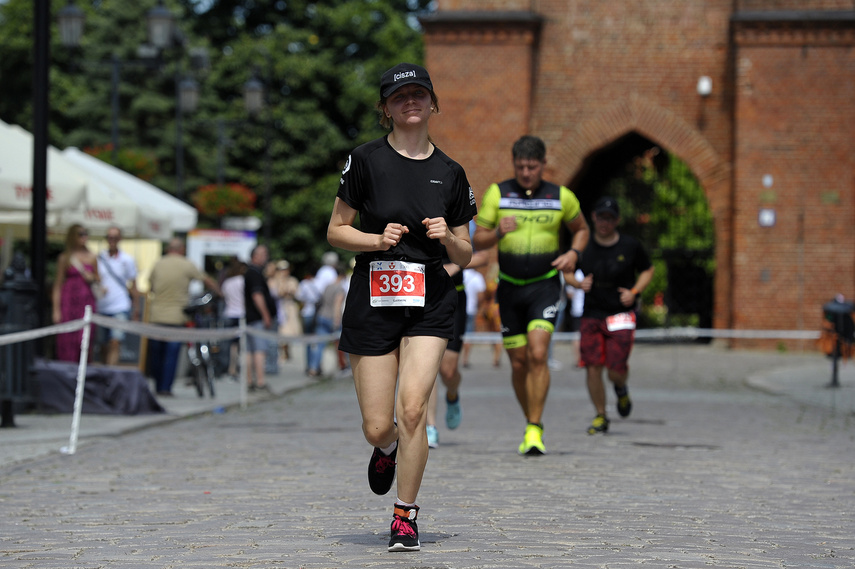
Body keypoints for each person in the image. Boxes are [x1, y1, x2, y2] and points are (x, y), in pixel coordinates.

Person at [327, 62, 476, 552]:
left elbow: (466, 251)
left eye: (418, 94)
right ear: (385, 108)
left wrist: (447, 238)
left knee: (413, 409)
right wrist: (374, 238)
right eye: (399, 96)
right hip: (374, 297)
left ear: (432, 103)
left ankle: (405, 515)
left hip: (431, 300)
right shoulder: (365, 161)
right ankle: (385, 449)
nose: (410, 102)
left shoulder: (450, 172)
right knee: (377, 424)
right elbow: (336, 230)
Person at [473, 134, 590, 456]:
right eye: (521, 167)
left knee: (539, 353)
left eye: (532, 167)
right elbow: (477, 240)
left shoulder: (560, 196)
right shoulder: (499, 193)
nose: (526, 173)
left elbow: (581, 229)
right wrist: (497, 232)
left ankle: (535, 428)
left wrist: (573, 254)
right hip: (509, 287)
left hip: (545, 285)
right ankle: (531, 419)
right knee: (519, 363)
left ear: (543, 165)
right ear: (514, 165)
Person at [567, 196, 655, 435]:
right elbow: (567, 270)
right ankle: (600, 415)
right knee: (592, 366)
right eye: (600, 217)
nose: (604, 222)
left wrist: (635, 291)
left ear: (617, 220)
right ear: (593, 217)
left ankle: (621, 387)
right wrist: (577, 283)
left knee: (615, 368)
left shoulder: (630, 246)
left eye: (610, 218)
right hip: (592, 313)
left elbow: (648, 269)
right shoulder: (583, 245)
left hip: (621, 313)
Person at [425, 247, 489, 449]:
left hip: (453, 299)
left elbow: (484, 256)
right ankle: (430, 426)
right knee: (426, 367)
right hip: (421, 296)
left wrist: (457, 264)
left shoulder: (457, 220)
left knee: (448, 370)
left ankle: (452, 394)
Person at [147, 238, 220, 396]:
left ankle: (157, 386)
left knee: (156, 353)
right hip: (176, 315)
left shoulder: (158, 263)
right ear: (181, 249)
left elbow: (151, 286)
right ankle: (165, 388)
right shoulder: (186, 264)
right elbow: (206, 280)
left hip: (156, 314)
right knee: (171, 354)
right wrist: (220, 293)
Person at [52, 224, 101, 363]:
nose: (84, 237)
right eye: (81, 234)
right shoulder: (65, 258)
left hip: (86, 302)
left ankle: (83, 372)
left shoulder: (92, 257)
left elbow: (99, 279)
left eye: (86, 233)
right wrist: (56, 310)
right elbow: (58, 284)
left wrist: (92, 277)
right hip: (68, 303)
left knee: (84, 339)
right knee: (67, 339)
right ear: (73, 236)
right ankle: (67, 374)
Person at [95, 226, 141, 366]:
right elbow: (95, 279)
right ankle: (105, 373)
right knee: (102, 345)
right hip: (102, 306)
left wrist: (136, 308)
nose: (112, 240)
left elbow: (134, 285)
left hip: (120, 306)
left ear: (120, 239)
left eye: (115, 237)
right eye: (109, 237)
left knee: (115, 342)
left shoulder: (127, 259)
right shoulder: (99, 258)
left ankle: (110, 375)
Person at [244, 245, 277, 393]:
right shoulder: (255, 273)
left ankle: (250, 380)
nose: (266, 256)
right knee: (259, 350)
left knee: (250, 351)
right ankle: (260, 381)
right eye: (263, 254)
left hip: (250, 317)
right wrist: (266, 315)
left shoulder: (250, 272)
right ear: (255, 256)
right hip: (256, 318)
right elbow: (257, 295)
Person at [220, 259, 247, 380]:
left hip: (228, 313)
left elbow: (224, 296)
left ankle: (230, 367)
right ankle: (234, 368)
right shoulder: (243, 281)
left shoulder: (227, 282)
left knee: (230, 345)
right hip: (240, 314)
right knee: (239, 344)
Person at [270, 260, 302, 360]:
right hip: (279, 308)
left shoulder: (292, 280)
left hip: (290, 308)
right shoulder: (274, 280)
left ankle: (287, 350)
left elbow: (297, 293)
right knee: (281, 331)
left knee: (291, 331)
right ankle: (282, 352)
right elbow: (276, 293)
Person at [459, 266, 487, 369]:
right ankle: (465, 359)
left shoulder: (461, 274)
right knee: (468, 336)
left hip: (458, 309)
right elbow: (481, 295)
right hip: (471, 309)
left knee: (456, 335)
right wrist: (478, 307)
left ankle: (456, 357)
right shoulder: (477, 277)